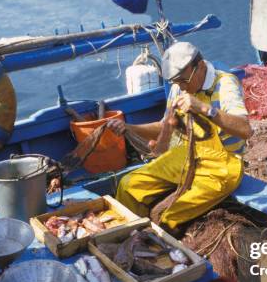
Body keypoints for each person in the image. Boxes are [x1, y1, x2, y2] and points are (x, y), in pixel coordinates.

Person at [106, 42, 253, 231]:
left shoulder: (225, 83)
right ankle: (125, 236)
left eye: (184, 80)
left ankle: (161, 247)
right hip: (187, 154)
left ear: (199, 67)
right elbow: (164, 126)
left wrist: (205, 109)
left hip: (223, 165)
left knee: (171, 216)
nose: (181, 87)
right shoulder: (179, 87)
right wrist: (129, 127)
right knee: (128, 185)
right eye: (176, 82)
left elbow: (245, 129)